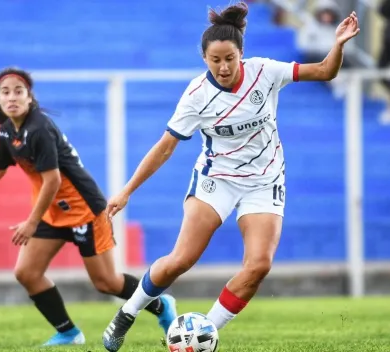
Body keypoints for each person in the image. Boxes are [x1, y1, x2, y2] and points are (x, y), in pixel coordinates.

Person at [102, 2, 359, 351]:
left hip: (264, 182)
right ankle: (128, 313)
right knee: (181, 260)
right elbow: (164, 147)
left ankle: (204, 333)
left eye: (229, 59)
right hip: (215, 180)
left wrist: (339, 45)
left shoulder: (266, 71)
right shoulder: (196, 96)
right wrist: (126, 191)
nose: (223, 67)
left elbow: (326, 72)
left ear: (241, 54)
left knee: (258, 266)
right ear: (205, 59)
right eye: (215, 60)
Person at [0, 67, 177, 346]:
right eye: (6, 92)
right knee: (26, 273)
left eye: (19, 91)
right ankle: (68, 333)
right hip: (51, 212)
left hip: (84, 210)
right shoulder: (7, 131)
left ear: (30, 98)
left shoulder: (39, 129)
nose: (12, 97)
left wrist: (30, 222)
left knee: (106, 283)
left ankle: (162, 306)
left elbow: (53, 181)